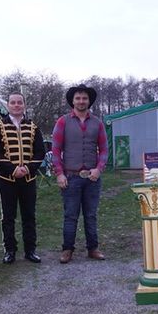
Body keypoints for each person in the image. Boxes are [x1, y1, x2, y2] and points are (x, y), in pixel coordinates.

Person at [51, 84, 109, 264]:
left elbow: (105, 150)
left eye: (84, 98)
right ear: (73, 101)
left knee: (90, 215)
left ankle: (93, 248)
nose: (81, 101)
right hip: (71, 177)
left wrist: (99, 169)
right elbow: (55, 150)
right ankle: (67, 249)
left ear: (89, 101)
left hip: (92, 177)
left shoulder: (97, 123)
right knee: (70, 215)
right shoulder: (63, 122)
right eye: (78, 98)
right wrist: (59, 174)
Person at [0, 92, 45, 264]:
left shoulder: (33, 126)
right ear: (8, 105)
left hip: (28, 179)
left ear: (24, 106)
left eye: (19, 102)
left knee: (29, 215)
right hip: (7, 179)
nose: (16, 105)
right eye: (13, 102)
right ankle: (10, 250)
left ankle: (30, 250)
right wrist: (13, 169)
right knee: (8, 216)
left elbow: (40, 152)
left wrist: (28, 168)